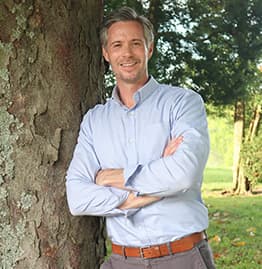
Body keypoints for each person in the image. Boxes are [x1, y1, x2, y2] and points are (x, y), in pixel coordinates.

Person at [66, 6, 216, 269]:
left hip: (183, 257)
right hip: (123, 261)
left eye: (136, 43)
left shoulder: (182, 103)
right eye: (117, 45)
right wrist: (146, 195)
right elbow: (77, 198)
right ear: (106, 53)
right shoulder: (94, 120)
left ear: (149, 48)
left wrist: (113, 177)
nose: (127, 53)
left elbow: (182, 175)